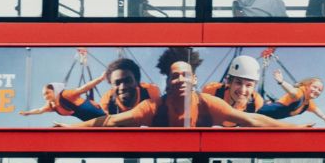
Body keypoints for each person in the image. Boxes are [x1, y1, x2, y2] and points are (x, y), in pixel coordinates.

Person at [87, 47, 284, 128]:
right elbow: (110, 120)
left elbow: (253, 119)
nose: (181, 80)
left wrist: (294, 129)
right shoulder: (152, 106)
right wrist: (73, 128)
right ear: (167, 82)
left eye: (186, 75)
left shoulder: (210, 102)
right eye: (175, 76)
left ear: (194, 79)